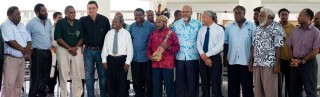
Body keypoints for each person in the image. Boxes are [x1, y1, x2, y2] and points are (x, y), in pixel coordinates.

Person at [250, 7, 284, 97]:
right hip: (257, 64)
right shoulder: (258, 28)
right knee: (258, 91)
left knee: (270, 91)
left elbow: (279, 47)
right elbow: (253, 46)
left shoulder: (277, 27)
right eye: (259, 16)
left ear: (268, 17)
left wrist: (277, 65)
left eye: (261, 16)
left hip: (269, 65)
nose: (258, 17)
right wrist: (251, 62)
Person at [146, 8, 180, 97]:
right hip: (155, 64)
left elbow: (177, 48)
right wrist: (150, 56)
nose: (157, 24)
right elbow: (148, 48)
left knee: (169, 87)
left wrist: (168, 47)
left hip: (167, 65)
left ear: (165, 22)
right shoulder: (153, 33)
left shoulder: (171, 33)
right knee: (156, 88)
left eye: (159, 22)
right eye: (156, 22)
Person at [287, 8, 320, 97]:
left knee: (310, 91)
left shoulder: (316, 32)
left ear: (308, 17)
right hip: (295, 63)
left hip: (309, 64)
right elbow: (289, 46)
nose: (298, 17)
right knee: (294, 91)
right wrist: (293, 59)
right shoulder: (295, 30)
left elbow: (315, 51)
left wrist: (302, 61)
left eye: (300, 16)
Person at [80, 1, 110, 97]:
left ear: (97, 8)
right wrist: (81, 46)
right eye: (89, 8)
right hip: (88, 51)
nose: (91, 10)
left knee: (103, 75)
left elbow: (108, 36)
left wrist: (106, 51)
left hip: (101, 51)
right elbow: (80, 35)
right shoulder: (83, 21)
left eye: (93, 8)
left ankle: (103, 95)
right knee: (89, 76)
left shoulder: (104, 20)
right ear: (87, 9)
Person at [223, 5, 255, 97]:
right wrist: (225, 58)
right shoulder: (229, 27)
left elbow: (254, 45)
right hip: (232, 62)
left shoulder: (251, 26)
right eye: (235, 13)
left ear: (244, 14)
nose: (237, 15)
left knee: (247, 88)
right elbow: (226, 43)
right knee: (232, 88)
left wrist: (251, 61)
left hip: (246, 63)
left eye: (239, 13)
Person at [1, 6, 32, 97]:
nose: (20, 16)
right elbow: (11, 42)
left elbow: (29, 39)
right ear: (10, 15)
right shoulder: (5, 25)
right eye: (17, 14)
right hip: (11, 59)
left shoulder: (21, 25)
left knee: (18, 85)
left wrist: (27, 50)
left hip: (21, 59)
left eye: (20, 14)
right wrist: (24, 50)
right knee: (8, 85)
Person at [172, 5, 202, 97]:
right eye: (183, 12)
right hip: (179, 57)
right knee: (180, 81)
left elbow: (200, 40)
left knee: (192, 81)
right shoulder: (176, 24)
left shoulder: (198, 24)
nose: (184, 13)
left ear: (191, 12)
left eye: (187, 12)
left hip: (193, 57)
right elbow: (173, 40)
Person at [54, 5, 84, 97]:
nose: (73, 14)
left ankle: (77, 95)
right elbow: (58, 38)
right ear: (66, 13)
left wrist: (75, 48)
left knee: (77, 74)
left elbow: (81, 38)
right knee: (63, 74)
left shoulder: (78, 23)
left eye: (74, 12)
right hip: (63, 50)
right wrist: (69, 48)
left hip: (76, 50)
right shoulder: (60, 23)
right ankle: (63, 95)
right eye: (71, 12)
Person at [101, 16, 133, 97]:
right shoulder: (109, 33)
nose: (113, 23)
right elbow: (105, 47)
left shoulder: (126, 33)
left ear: (121, 23)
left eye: (115, 22)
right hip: (110, 60)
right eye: (113, 21)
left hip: (122, 60)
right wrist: (104, 60)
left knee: (122, 82)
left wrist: (127, 62)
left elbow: (130, 49)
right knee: (110, 82)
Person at [26, 3, 52, 97]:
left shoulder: (49, 21)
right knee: (36, 77)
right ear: (37, 13)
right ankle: (32, 94)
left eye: (46, 10)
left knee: (46, 76)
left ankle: (42, 94)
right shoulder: (31, 23)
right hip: (37, 52)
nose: (45, 12)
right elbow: (27, 39)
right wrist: (28, 53)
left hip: (48, 52)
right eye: (43, 11)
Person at [197, 10, 224, 97]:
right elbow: (198, 43)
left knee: (216, 82)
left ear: (210, 18)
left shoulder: (219, 29)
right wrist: (203, 56)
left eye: (204, 17)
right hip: (203, 58)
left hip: (214, 59)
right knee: (204, 82)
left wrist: (206, 55)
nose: (202, 19)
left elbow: (219, 46)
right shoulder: (201, 29)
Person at [129, 8, 155, 97]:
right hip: (135, 58)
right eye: (136, 15)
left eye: (139, 15)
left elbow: (154, 41)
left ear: (144, 15)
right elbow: (129, 41)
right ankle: (138, 95)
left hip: (146, 58)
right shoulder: (131, 27)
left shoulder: (150, 26)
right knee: (136, 80)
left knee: (148, 80)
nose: (138, 16)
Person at [278, 8, 295, 97]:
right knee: (278, 83)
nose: (284, 16)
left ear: (288, 16)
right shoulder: (275, 26)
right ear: (279, 16)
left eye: (286, 14)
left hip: (289, 59)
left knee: (289, 82)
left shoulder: (292, 27)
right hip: (278, 59)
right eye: (282, 15)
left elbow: (295, 42)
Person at [46, 11, 62, 97]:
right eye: (59, 18)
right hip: (53, 53)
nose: (61, 19)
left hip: (62, 52)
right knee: (52, 71)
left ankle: (62, 89)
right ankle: (50, 89)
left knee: (62, 71)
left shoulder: (63, 28)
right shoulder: (51, 29)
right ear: (54, 18)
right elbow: (48, 39)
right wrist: (52, 46)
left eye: (62, 18)